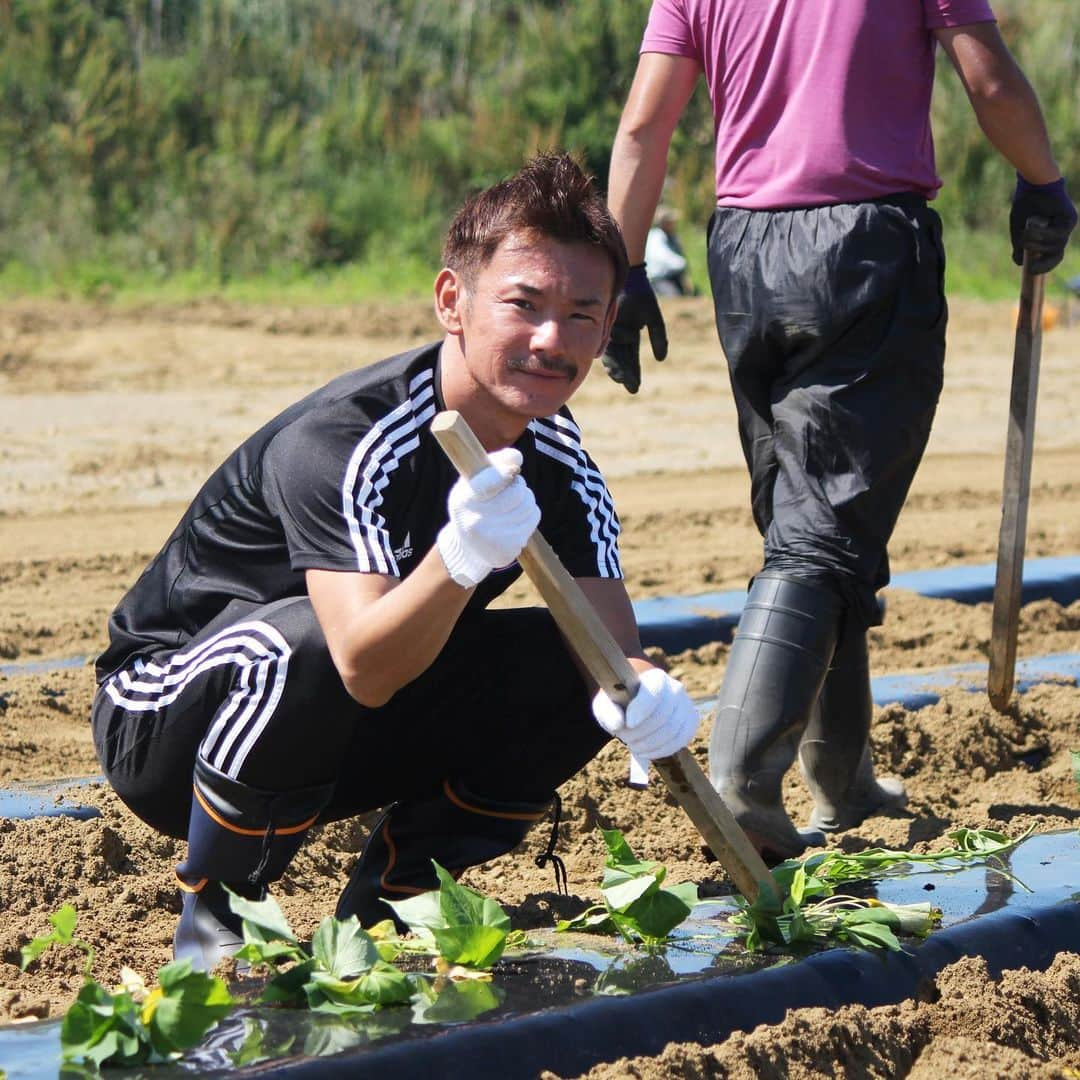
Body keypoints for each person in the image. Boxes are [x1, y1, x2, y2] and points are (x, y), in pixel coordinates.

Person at [91, 153, 699, 971]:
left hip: (334, 731)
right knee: (299, 643)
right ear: (453, 300)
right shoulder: (349, 438)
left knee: (572, 666)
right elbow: (359, 664)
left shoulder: (559, 457)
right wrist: (460, 556)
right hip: (169, 722)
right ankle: (215, 927)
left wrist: (639, 693)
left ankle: (394, 896)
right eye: (524, 305)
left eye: (583, 314)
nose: (552, 340)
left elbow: (606, 647)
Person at [603, 2, 1077, 861]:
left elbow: (644, 125)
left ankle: (843, 775)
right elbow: (991, 77)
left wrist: (625, 267)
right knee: (822, 530)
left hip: (745, 252)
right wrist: (1042, 179)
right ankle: (743, 784)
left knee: (810, 521)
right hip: (862, 246)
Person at [645, 206, 692, 296]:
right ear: (664, 223)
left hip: (673, 277)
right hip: (660, 279)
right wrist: (682, 263)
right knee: (674, 296)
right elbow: (664, 257)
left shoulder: (672, 237)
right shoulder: (656, 237)